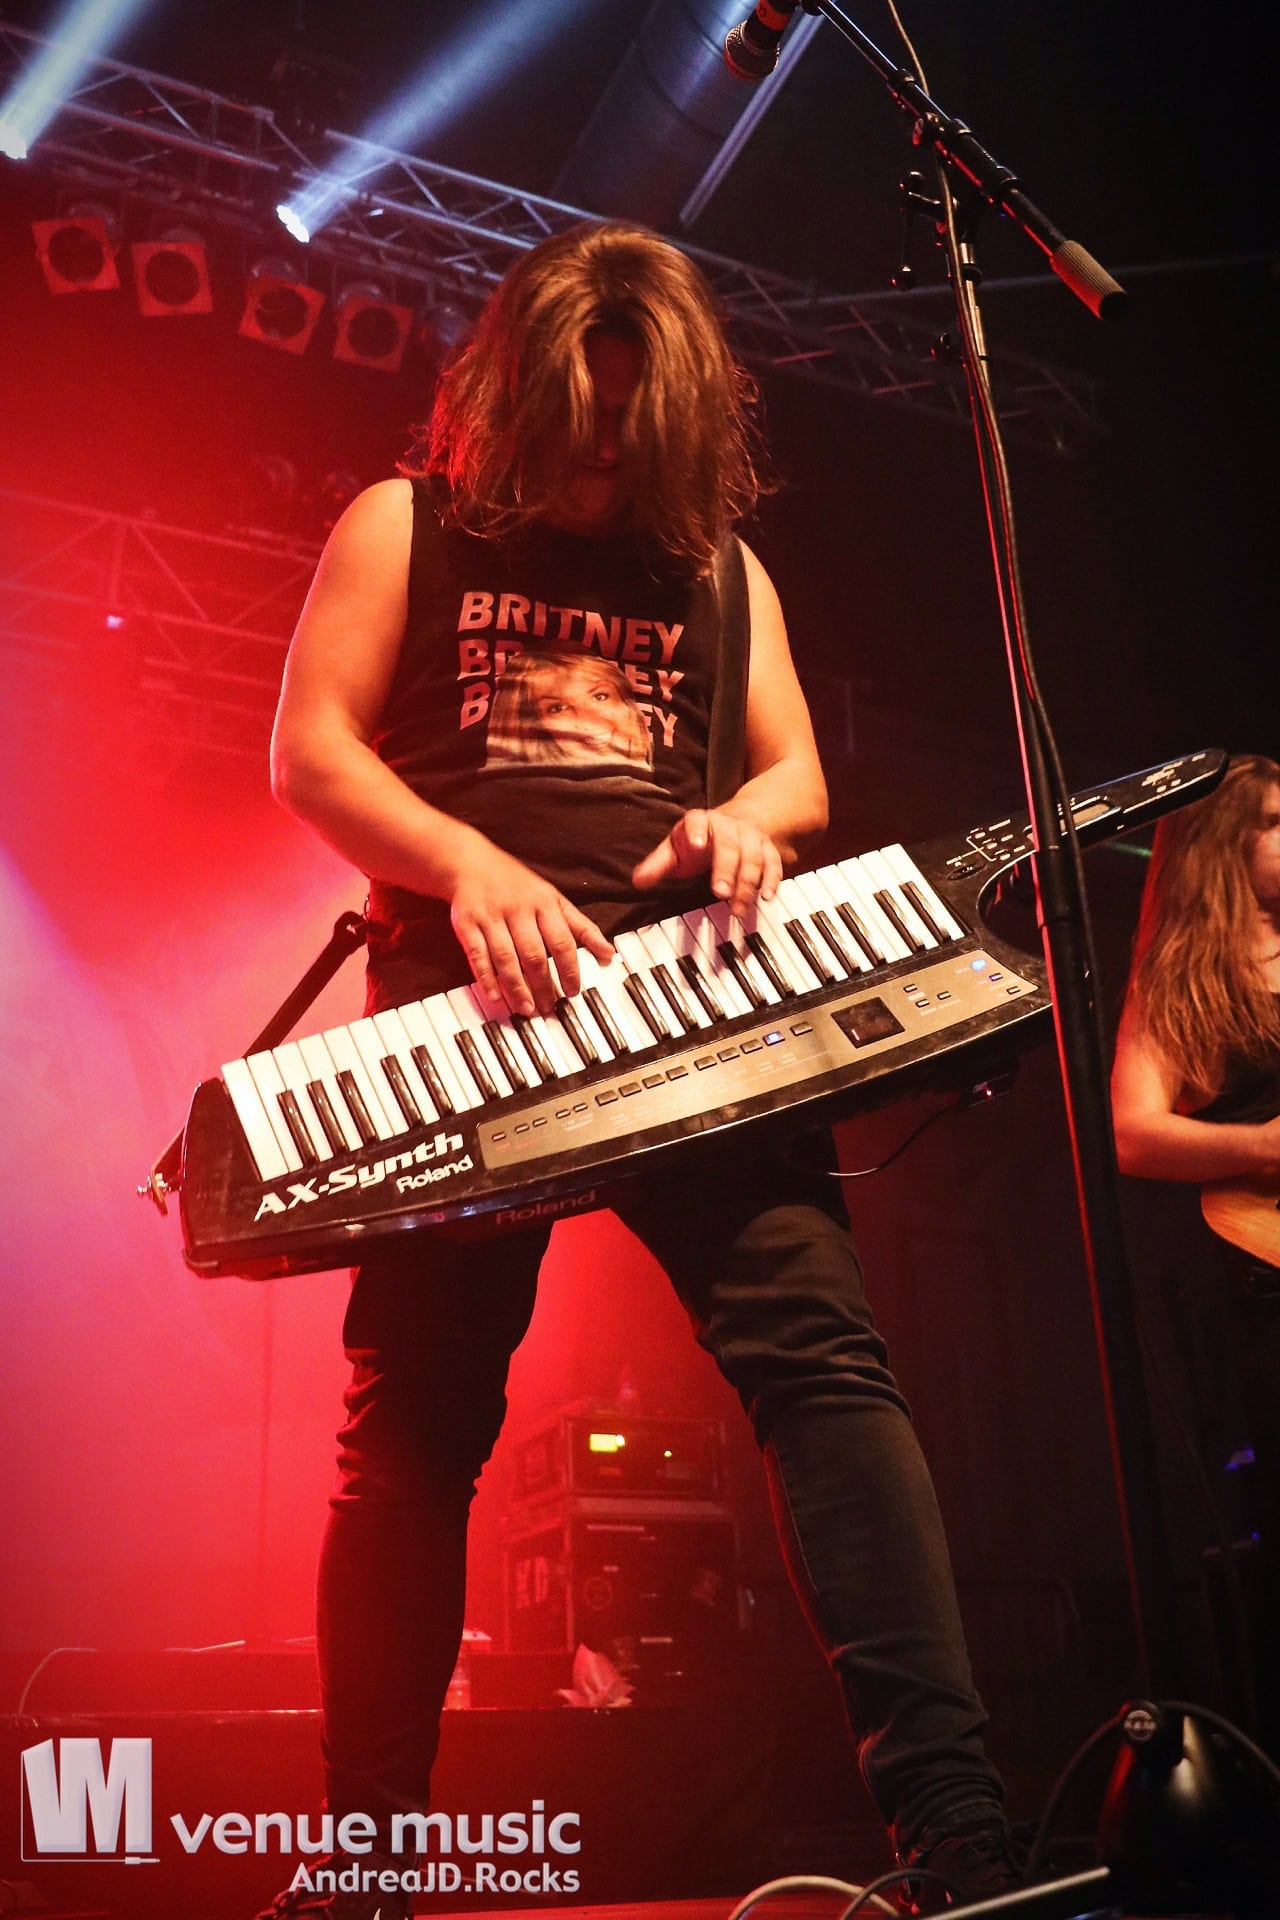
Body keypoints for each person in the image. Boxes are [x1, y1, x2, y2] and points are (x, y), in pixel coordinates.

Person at [255, 221, 1021, 1919]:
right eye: (577, 423)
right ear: (511, 394)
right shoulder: (404, 524)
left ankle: (959, 1836)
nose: (600, 460)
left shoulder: (720, 570)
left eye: (629, 430)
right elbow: (309, 751)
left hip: (694, 1012)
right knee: (415, 1431)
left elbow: (797, 778)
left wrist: (747, 828)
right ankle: (365, 1863)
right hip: (469, 1022)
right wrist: (468, 865)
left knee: (827, 1373)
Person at [1111, 751, 1280, 1755]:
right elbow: (1131, 1131)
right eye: (1277, 823)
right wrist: (1259, 1147)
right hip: (1259, 1273)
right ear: (1225, 846)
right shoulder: (1187, 978)